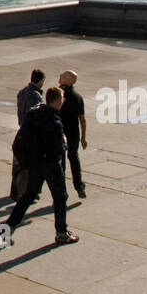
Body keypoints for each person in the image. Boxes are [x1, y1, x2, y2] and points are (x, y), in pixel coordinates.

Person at [0, 87, 79, 246]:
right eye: (62, 99)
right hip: (50, 165)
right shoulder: (54, 121)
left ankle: (8, 227)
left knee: (29, 195)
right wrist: (64, 143)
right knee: (60, 197)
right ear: (56, 101)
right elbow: (57, 150)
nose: (63, 101)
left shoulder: (35, 114)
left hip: (35, 164)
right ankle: (61, 233)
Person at [12, 69, 45, 200]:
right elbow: (37, 116)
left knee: (18, 164)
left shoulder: (22, 92)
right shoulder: (36, 96)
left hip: (22, 129)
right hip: (31, 134)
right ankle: (28, 192)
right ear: (41, 81)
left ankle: (16, 191)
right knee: (31, 165)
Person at [58, 69, 87, 200]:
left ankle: (61, 192)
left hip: (60, 134)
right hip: (74, 134)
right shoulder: (78, 97)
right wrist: (83, 137)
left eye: (63, 75)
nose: (60, 76)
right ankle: (79, 187)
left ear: (68, 80)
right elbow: (82, 119)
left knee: (61, 163)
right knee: (74, 160)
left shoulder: (58, 95)